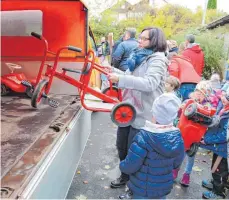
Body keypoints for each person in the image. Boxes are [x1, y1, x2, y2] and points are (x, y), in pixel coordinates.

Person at [107, 27, 168, 189]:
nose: (139, 41)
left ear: (154, 41)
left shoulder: (157, 60)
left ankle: (135, 184)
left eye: (143, 39)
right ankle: (125, 176)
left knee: (136, 151)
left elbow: (150, 83)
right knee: (122, 146)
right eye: (140, 37)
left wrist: (120, 79)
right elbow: (129, 77)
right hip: (129, 111)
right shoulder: (138, 56)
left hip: (143, 114)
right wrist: (111, 70)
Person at [118, 93, 184, 199]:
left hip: (142, 190)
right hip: (162, 190)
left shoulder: (143, 138)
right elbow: (177, 163)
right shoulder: (177, 138)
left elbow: (130, 166)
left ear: (154, 114)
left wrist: (122, 165)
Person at [174, 81, 213, 186]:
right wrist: (181, 108)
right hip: (184, 132)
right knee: (180, 154)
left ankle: (186, 175)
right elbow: (179, 113)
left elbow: (210, 120)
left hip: (196, 136)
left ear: (206, 96)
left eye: (202, 93)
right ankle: (175, 170)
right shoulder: (189, 101)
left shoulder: (206, 106)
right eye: (197, 91)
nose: (199, 94)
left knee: (191, 157)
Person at [200, 88, 229, 199]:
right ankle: (215, 183)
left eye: (226, 97)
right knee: (215, 167)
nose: (223, 98)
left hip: (224, 149)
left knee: (219, 170)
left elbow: (224, 136)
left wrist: (208, 140)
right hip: (219, 147)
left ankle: (219, 192)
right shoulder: (225, 108)